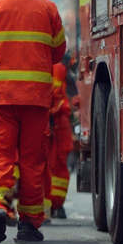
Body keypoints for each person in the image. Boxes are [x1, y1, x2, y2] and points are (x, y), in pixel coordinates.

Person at [0, 0, 66, 243]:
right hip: (36, 100)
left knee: (1, 158)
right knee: (33, 162)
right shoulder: (48, 8)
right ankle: (29, 224)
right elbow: (58, 52)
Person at [45, 58, 73, 219]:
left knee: (58, 162)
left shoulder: (59, 68)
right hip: (54, 119)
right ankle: (52, 204)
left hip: (56, 119)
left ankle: (55, 203)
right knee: (50, 162)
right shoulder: (58, 68)